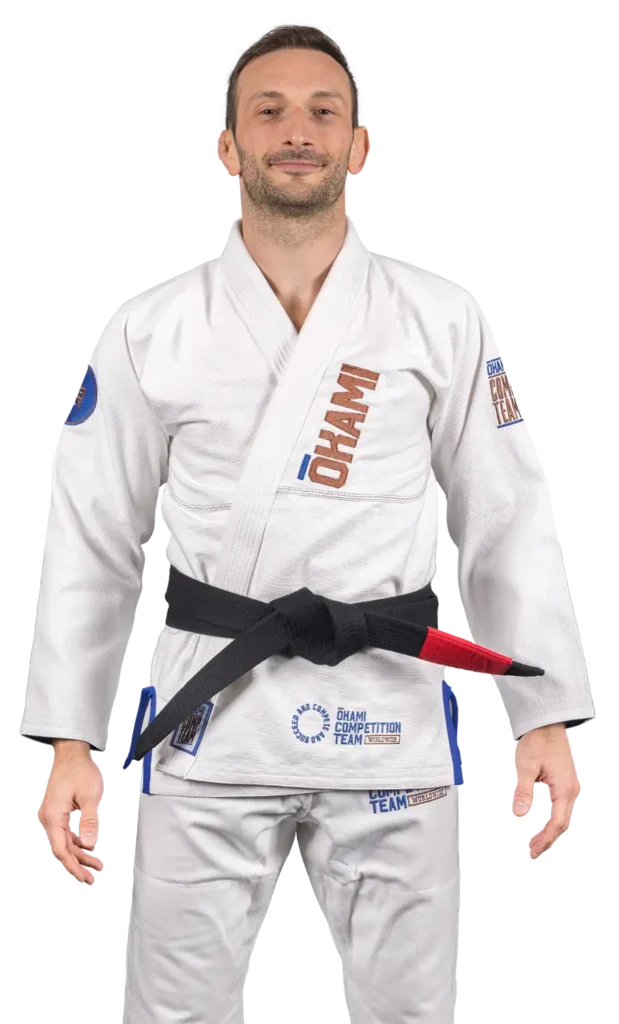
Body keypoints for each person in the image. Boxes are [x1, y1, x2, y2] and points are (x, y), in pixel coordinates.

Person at [21, 23, 595, 1024]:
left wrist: (541, 713)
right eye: (269, 111)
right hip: (209, 717)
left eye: (323, 111)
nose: (298, 131)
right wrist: (71, 738)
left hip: (388, 718)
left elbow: (505, 519)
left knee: (411, 1013)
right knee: (170, 1014)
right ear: (227, 146)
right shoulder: (150, 324)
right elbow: (90, 539)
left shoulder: (441, 314)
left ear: (359, 144)